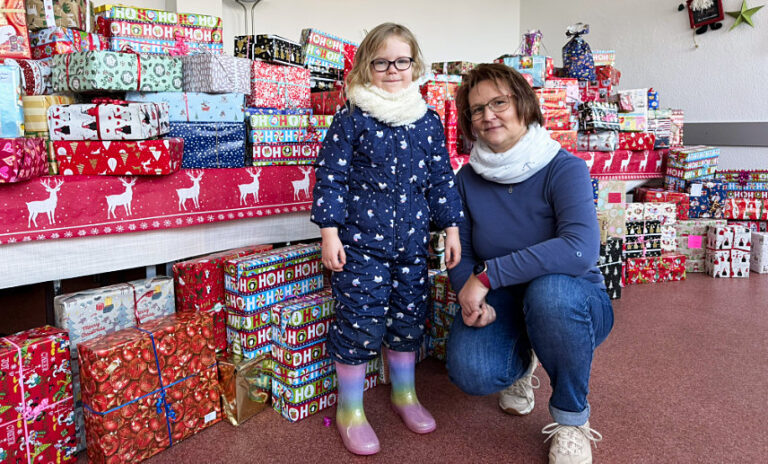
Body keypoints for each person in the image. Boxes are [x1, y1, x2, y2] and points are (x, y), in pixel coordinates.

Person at [446, 63, 614, 464]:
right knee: (471, 371)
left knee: (551, 293)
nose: (488, 115)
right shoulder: (467, 179)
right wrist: (466, 295)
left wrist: (487, 276)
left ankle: (572, 421)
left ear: (523, 104)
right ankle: (525, 362)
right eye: (476, 109)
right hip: (503, 299)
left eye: (499, 102)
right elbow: (463, 252)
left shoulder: (564, 167)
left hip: (573, 300)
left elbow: (579, 249)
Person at [310, 22, 463, 456]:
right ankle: (351, 410)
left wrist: (452, 228)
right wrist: (329, 233)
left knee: (408, 319)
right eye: (381, 62)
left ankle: (404, 394)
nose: (392, 69)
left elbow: (440, 181)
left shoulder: (428, 121)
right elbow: (331, 178)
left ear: (416, 65)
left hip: (413, 246)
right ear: (365, 67)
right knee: (360, 321)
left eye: (401, 61)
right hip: (361, 247)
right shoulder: (352, 118)